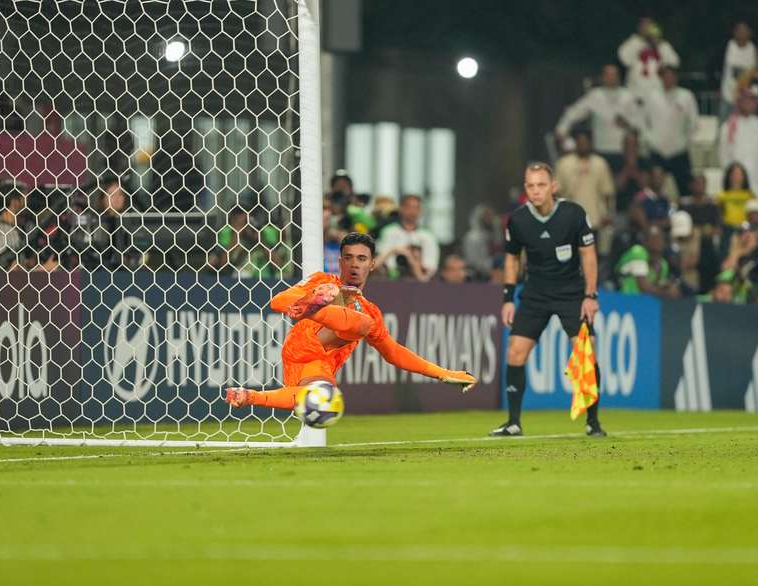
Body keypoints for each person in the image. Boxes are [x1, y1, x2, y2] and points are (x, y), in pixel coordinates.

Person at [224, 232, 477, 411]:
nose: (354, 264)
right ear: (340, 261)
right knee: (363, 323)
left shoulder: (370, 310)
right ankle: (319, 310)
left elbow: (394, 353)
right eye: (349, 258)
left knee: (326, 399)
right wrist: (306, 306)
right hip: (304, 341)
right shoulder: (323, 280)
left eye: (362, 259)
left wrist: (443, 374)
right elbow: (278, 302)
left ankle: (249, 396)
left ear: (372, 264)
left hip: (317, 363)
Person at [493, 162, 605, 437]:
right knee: (515, 351)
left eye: (541, 185)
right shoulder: (518, 219)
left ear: (553, 187)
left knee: (585, 352)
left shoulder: (573, 214)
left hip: (571, 292)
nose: (535, 191)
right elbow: (511, 258)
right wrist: (508, 297)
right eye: (530, 186)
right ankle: (513, 422)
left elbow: (588, 256)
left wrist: (590, 295)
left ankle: (593, 422)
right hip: (535, 293)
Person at [554, 64, 639, 173]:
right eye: (608, 75)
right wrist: (561, 130)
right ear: (603, 77)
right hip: (600, 150)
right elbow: (574, 112)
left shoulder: (628, 96)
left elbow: (638, 122)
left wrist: (627, 123)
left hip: (623, 151)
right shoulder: (595, 96)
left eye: (614, 75)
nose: (611, 77)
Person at [642, 65, 698, 195]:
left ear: (676, 78)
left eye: (671, 76)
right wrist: (650, 139)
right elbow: (643, 121)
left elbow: (694, 123)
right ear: (661, 78)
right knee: (652, 189)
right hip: (657, 151)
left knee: (686, 189)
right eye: (665, 76)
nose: (669, 79)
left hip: (679, 150)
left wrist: (685, 141)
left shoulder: (686, 96)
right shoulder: (651, 96)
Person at [554, 130, 615, 249]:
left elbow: (607, 192)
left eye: (585, 142)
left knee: (591, 258)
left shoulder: (600, 164)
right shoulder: (564, 163)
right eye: (580, 142)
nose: (583, 145)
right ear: (576, 143)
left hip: (593, 221)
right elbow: (556, 192)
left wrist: (607, 215)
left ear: (591, 143)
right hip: (568, 222)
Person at [377, 194, 440, 279]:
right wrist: (395, 250)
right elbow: (378, 263)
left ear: (421, 210)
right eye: (409, 207)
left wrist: (412, 258)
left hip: (419, 282)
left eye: (416, 208)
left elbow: (429, 269)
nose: (412, 211)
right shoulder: (389, 232)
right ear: (401, 209)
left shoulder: (428, 236)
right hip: (389, 279)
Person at [617, 17, 680, 102]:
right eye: (644, 26)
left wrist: (658, 45)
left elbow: (674, 63)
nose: (647, 29)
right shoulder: (633, 42)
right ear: (639, 28)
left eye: (649, 26)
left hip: (658, 93)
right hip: (636, 93)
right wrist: (640, 40)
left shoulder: (663, 45)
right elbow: (624, 59)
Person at [616, 226, 680, 298]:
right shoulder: (637, 252)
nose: (655, 242)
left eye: (658, 239)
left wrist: (669, 287)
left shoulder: (663, 264)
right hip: (624, 300)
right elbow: (644, 287)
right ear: (644, 241)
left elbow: (658, 285)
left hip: (645, 303)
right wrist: (666, 293)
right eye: (652, 238)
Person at [719, 90, 758, 193]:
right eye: (745, 99)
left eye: (752, 99)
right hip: (736, 184)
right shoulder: (728, 126)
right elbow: (724, 156)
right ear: (738, 102)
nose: (748, 102)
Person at [720, 22, 756, 121]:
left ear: (749, 33)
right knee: (723, 126)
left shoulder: (753, 51)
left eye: (743, 31)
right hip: (727, 96)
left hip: (744, 99)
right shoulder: (729, 45)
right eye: (738, 31)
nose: (740, 33)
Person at [716, 162, 756, 230]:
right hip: (727, 228)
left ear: (744, 176)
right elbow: (718, 214)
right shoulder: (722, 195)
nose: (736, 177)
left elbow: (754, 216)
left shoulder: (750, 195)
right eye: (734, 174)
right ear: (729, 176)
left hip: (746, 228)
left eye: (739, 174)